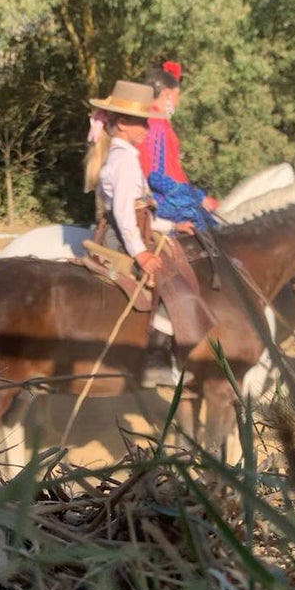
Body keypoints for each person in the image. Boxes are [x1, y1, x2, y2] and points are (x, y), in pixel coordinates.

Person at [89, 80, 195, 388]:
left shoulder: (126, 156)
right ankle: (154, 357)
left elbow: (139, 213)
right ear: (123, 123)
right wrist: (141, 253)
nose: (149, 127)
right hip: (122, 238)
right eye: (143, 121)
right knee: (168, 279)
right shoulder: (123, 160)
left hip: (133, 230)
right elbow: (124, 213)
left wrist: (173, 227)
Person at [137, 61, 218, 230]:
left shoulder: (154, 121)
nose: (177, 102)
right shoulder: (156, 125)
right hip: (158, 200)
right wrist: (197, 198)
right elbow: (155, 175)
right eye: (177, 95)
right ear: (167, 94)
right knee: (210, 231)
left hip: (162, 194)